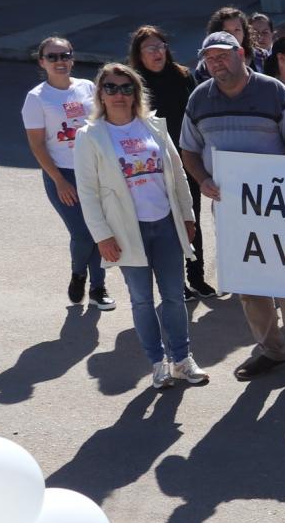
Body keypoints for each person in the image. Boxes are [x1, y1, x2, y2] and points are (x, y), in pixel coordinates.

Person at [178, 32, 285, 384]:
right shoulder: (199, 99)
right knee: (249, 284)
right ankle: (271, 350)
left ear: (241, 54)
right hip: (230, 208)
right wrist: (202, 180)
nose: (215, 63)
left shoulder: (272, 91)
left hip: (276, 205)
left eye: (222, 56)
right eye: (209, 58)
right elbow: (189, 151)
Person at [75, 62, 204, 390]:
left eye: (126, 87)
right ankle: (157, 363)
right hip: (125, 231)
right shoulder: (90, 137)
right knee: (142, 299)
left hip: (164, 224)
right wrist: (102, 235)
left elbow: (177, 175)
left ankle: (182, 360)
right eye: (111, 88)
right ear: (100, 95)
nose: (119, 95)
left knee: (174, 296)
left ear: (136, 92)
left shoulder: (153, 126)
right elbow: (88, 193)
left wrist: (187, 217)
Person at [21, 37, 108, 309]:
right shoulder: (37, 98)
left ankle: (98, 288)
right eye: (52, 57)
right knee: (82, 233)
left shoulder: (87, 87)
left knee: (100, 231)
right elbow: (36, 144)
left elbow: (102, 126)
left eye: (64, 55)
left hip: (94, 171)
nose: (60, 62)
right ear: (42, 62)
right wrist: (59, 181)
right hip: (63, 175)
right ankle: (78, 273)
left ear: (72, 58)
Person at [129, 25, 206, 300]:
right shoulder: (134, 83)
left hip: (187, 156)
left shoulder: (183, 75)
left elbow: (198, 111)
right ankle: (177, 283)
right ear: (139, 54)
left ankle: (197, 276)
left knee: (190, 216)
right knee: (168, 223)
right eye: (150, 48)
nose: (157, 52)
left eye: (161, 46)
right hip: (154, 164)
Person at [190, 6, 265, 83]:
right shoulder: (205, 68)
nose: (232, 36)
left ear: (244, 32)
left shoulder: (261, 56)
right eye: (226, 32)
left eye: (237, 30)